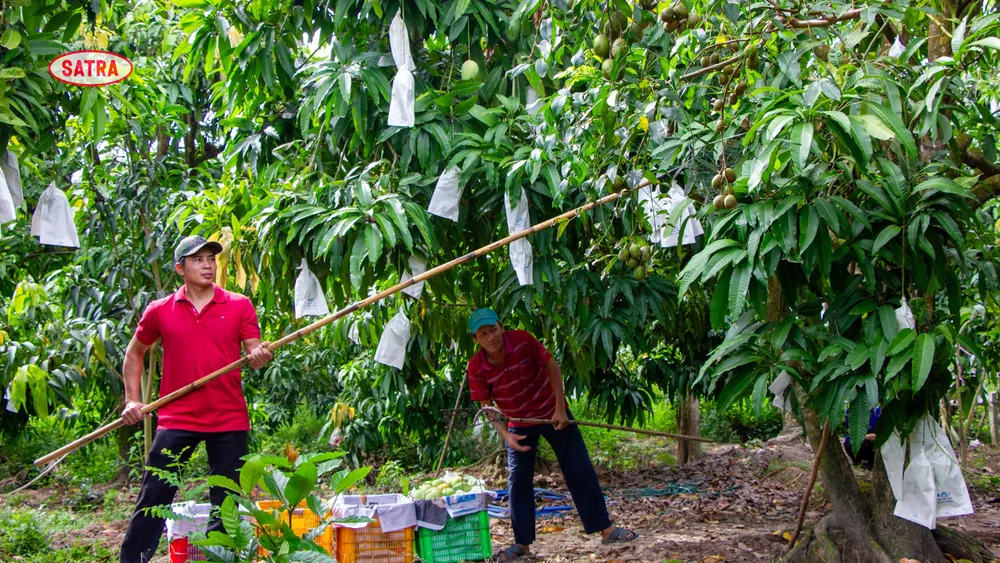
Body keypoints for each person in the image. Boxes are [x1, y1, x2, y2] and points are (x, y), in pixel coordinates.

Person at [119, 235, 274, 563]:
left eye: (211, 258)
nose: (207, 265)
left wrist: (259, 355)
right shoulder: (160, 311)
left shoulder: (238, 304)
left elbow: (253, 350)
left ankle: (223, 558)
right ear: (180, 268)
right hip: (177, 417)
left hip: (228, 418)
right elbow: (135, 353)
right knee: (153, 498)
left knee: (227, 503)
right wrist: (132, 400)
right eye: (197, 259)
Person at [465, 308, 638, 561]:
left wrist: (560, 408)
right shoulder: (476, 367)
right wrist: (506, 435)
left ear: (501, 327)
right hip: (519, 423)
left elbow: (552, 366)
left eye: (493, 329)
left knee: (579, 468)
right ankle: (522, 545)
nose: (490, 336)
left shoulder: (523, 340)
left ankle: (606, 529)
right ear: (476, 340)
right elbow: (486, 407)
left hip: (552, 413)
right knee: (518, 481)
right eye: (483, 333)